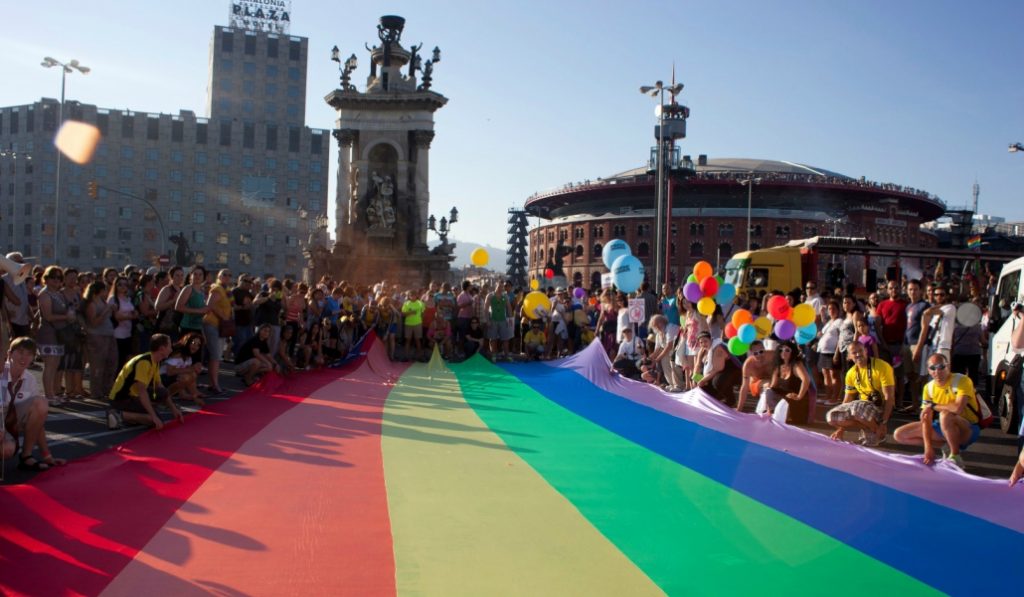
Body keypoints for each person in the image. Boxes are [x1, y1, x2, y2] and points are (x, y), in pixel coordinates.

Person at [892, 353, 981, 470]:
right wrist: (928, 448)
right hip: (944, 426)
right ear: (928, 370)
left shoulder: (962, 380)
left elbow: (957, 408)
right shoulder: (928, 388)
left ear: (948, 366)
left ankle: (955, 456)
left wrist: (933, 405)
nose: (937, 371)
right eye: (933, 368)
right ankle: (946, 446)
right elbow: (925, 419)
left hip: (968, 428)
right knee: (899, 434)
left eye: (941, 367)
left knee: (945, 415)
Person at [2, 337, 66, 471]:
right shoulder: (1, 373)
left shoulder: (29, 380)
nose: (24, 357)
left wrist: (47, 456)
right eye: (20, 352)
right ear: (9, 353)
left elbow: (38, 421)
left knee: (41, 403)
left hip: (9, 421)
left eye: (29, 354)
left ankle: (26, 456)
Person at [106, 334, 184, 431]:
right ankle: (120, 414)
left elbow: (160, 386)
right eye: (170, 346)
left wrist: (173, 409)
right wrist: (153, 415)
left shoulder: (154, 360)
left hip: (133, 395)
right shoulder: (144, 362)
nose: (171, 349)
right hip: (122, 399)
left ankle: (136, 414)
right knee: (155, 420)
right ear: (162, 348)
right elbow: (142, 391)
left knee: (162, 392)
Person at [826, 341, 895, 446]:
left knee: (857, 408)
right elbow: (847, 400)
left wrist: (884, 422)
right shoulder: (850, 373)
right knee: (831, 416)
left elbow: (889, 397)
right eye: (854, 352)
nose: (858, 354)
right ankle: (868, 428)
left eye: (860, 350)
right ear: (849, 356)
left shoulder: (882, 366)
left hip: (880, 407)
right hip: (862, 409)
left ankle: (878, 430)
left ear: (866, 351)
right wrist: (841, 429)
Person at [36, 266, 74, 406]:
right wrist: (66, 316)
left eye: (59, 278)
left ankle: (52, 393)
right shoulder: (44, 294)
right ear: (46, 278)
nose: (57, 280)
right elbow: (48, 316)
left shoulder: (58, 294)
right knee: (50, 365)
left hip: (60, 333)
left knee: (56, 364)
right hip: (48, 333)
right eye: (53, 277)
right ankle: (48, 395)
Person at [758, 340, 813, 424]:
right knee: (768, 392)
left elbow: (806, 380)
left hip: (794, 397)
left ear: (793, 352)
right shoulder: (778, 365)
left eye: (787, 350)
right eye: (781, 350)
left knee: (785, 400)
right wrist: (766, 388)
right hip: (783, 396)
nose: (783, 352)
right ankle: (771, 413)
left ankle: (781, 415)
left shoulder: (796, 364)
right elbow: (773, 386)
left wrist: (799, 396)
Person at [913, 285, 956, 378]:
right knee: (931, 376)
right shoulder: (935, 310)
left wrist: (927, 311)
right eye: (936, 295)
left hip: (942, 347)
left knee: (941, 375)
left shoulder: (950, 307)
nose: (939, 297)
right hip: (933, 346)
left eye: (942, 294)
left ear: (947, 296)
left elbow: (928, 312)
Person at [201, 269, 233, 394]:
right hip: (212, 324)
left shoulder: (226, 290)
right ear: (218, 276)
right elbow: (210, 304)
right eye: (224, 274)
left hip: (220, 326)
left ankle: (214, 383)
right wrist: (222, 316)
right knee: (215, 356)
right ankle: (215, 385)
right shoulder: (217, 289)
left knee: (216, 356)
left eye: (229, 274)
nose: (227, 276)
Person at [694, 331, 742, 406]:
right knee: (699, 382)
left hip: (732, 371)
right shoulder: (703, 350)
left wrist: (703, 380)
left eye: (705, 341)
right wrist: (695, 378)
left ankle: (730, 399)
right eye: (701, 342)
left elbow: (718, 368)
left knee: (717, 381)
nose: (703, 344)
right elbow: (698, 365)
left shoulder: (718, 348)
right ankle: (716, 397)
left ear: (711, 340)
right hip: (717, 372)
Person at [737, 340, 772, 413]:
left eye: (761, 351)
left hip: (772, 383)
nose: (759, 355)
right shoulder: (748, 365)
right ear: (751, 353)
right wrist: (739, 409)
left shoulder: (772, 355)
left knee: (771, 386)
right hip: (756, 384)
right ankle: (761, 411)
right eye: (755, 353)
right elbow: (744, 387)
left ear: (764, 349)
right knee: (768, 384)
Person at [485, 282, 513, 360]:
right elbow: (486, 309)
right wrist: (487, 320)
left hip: (502, 320)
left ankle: (507, 355)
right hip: (493, 320)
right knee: (493, 339)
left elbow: (509, 308)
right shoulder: (490, 296)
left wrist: (510, 318)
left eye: (502, 287)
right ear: (495, 286)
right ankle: (494, 355)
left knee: (505, 339)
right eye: (499, 287)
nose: (501, 288)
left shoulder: (505, 296)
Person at [401, 289, 426, 361]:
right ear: (409, 296)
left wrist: (420, 320)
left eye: (414, 295)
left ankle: (420, 357)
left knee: (418, 340)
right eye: (411, 295)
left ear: (416, 296)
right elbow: (403, 314)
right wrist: (411, 312)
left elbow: (423, 313)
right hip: (408, 324)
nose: (412, 297)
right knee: (408, 340)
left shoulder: (420, 303)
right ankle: (406, 357)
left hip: (418, 324)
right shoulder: (406, 303)